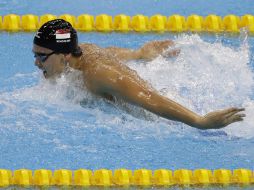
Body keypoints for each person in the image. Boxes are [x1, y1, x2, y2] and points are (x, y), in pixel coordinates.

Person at [33, 19, 245, 130]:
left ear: (64, 56)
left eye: (42, 57)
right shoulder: (81, 53)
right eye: (35, 55)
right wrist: (138, 54)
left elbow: (149, 98)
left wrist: (199, 121)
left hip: (162, 120)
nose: (36, 63)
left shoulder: (97, 75)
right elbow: (107, 53)